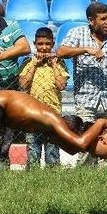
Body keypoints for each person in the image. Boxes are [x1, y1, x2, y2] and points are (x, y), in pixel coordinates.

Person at [0, 90, 107, 214]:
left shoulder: (48, 122)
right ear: (65, 131)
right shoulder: (54, 119)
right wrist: (100, 122)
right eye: (62, 141)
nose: (53, 142)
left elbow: (73, 150)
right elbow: (80, 143)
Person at [57, 2, 107, 126]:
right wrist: (85, 49)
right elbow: (61, 52)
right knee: (87, 135)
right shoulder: (77, 33)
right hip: (85, 101)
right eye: (103, 19)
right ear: (91, 21)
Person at [19, 27, 68, 168]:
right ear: (35, 44)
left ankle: (52, 172)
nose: (44, 48)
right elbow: (23, 84)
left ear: (53, 44)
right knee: (33, 149)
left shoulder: (59, 63)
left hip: (53, 113)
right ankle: (33, 173)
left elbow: (61, 85)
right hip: (32, 114)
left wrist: (54, 65)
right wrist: (34, 64)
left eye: (47, 44)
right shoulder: (28, 62)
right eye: (40, 44)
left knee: (52, 149)